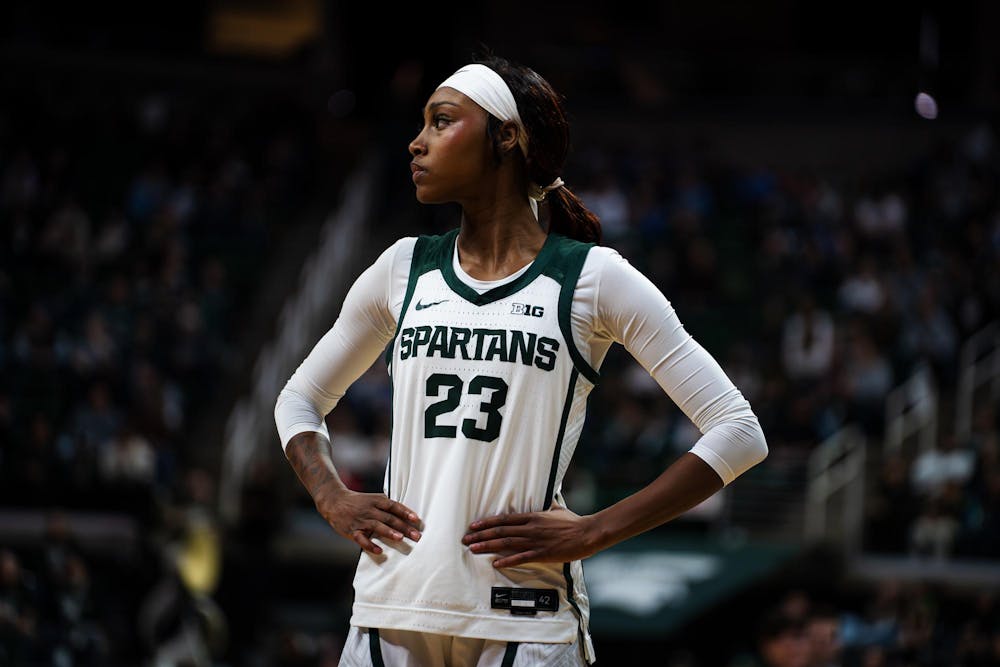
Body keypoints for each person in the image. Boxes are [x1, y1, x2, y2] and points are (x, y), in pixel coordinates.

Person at [274, 54, 768, 666]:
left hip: (524, 618)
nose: (416, 142)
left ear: (505, 136)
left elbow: (739, 432)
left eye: (442, 121)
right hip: (389, 609)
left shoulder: (591, 278)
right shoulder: (402, 267)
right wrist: (331, 498)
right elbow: (298, 401)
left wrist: (596, 530)